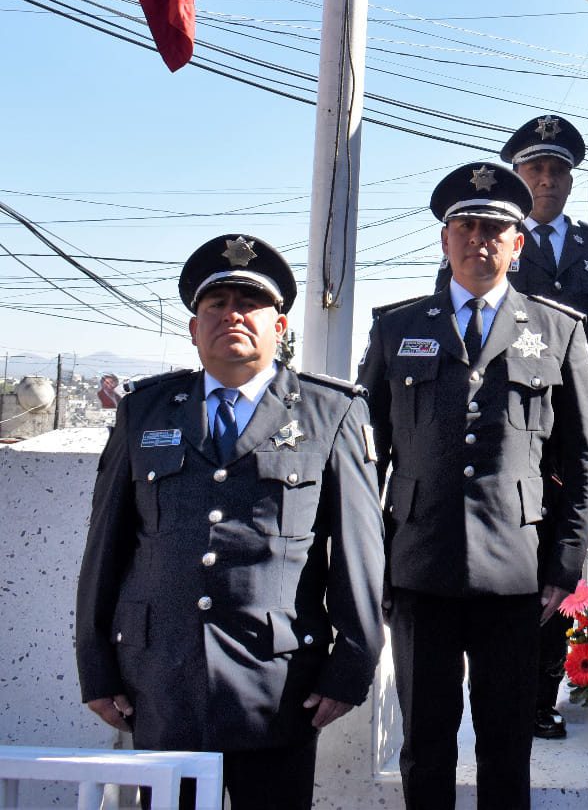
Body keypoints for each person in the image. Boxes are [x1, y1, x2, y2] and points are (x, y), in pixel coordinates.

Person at [76, 235, 383, 810]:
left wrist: (351, 666)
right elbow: (106, 546)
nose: (232, 315)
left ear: (281, 325)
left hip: (277, 682)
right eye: (215, 305)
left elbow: (360, 555)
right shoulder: (143, 410)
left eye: (249, 303)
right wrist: (96, 667)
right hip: (161, 677)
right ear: (194, 329)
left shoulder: (332, 412)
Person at [361, 162, 588, 810]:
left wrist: (565, 562)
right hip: (421, 568)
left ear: (517, 243)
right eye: (465, 227)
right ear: (445, 241)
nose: (479, 240)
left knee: (505, 747)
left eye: (495, 228)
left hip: (515, 575)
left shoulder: (558, 331)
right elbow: (366, 460)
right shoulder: (396, 328)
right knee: (426, 747)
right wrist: (374, 565)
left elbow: (581, 460)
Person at [500, 112, 588, 739]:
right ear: (519, 175)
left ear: (570, 178)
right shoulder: (491, 245)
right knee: (510, 563)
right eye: (535, 169)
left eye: (557, 170)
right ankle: (504, 688)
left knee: (564, 563)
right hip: (510, 436)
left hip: (574, 443)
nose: (546, 180)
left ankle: (540, 699)